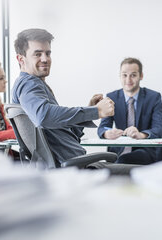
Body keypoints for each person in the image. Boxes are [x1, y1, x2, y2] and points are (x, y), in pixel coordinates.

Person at [11, 28, 115, 165]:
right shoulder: (29, 84)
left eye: (48, 53)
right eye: (37, 54)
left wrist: (89, 109)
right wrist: (97, 111)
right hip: (73, 167)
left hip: (73, 165)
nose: (45, 59)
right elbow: (43, 116)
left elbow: (66, 135)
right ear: (21, 59)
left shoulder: (34, 86)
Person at [98, 57, 162, 165]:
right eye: (124, 75)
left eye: (133, 75)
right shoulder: (112, 97)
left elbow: (159, 129)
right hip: (118, 152)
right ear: (120, 76)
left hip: (145, 152)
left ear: (141, 76)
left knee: (123, 162)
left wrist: (141, 135)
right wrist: (107, 133)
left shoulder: (153, 97)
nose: (128, 80)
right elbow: (103, 127)